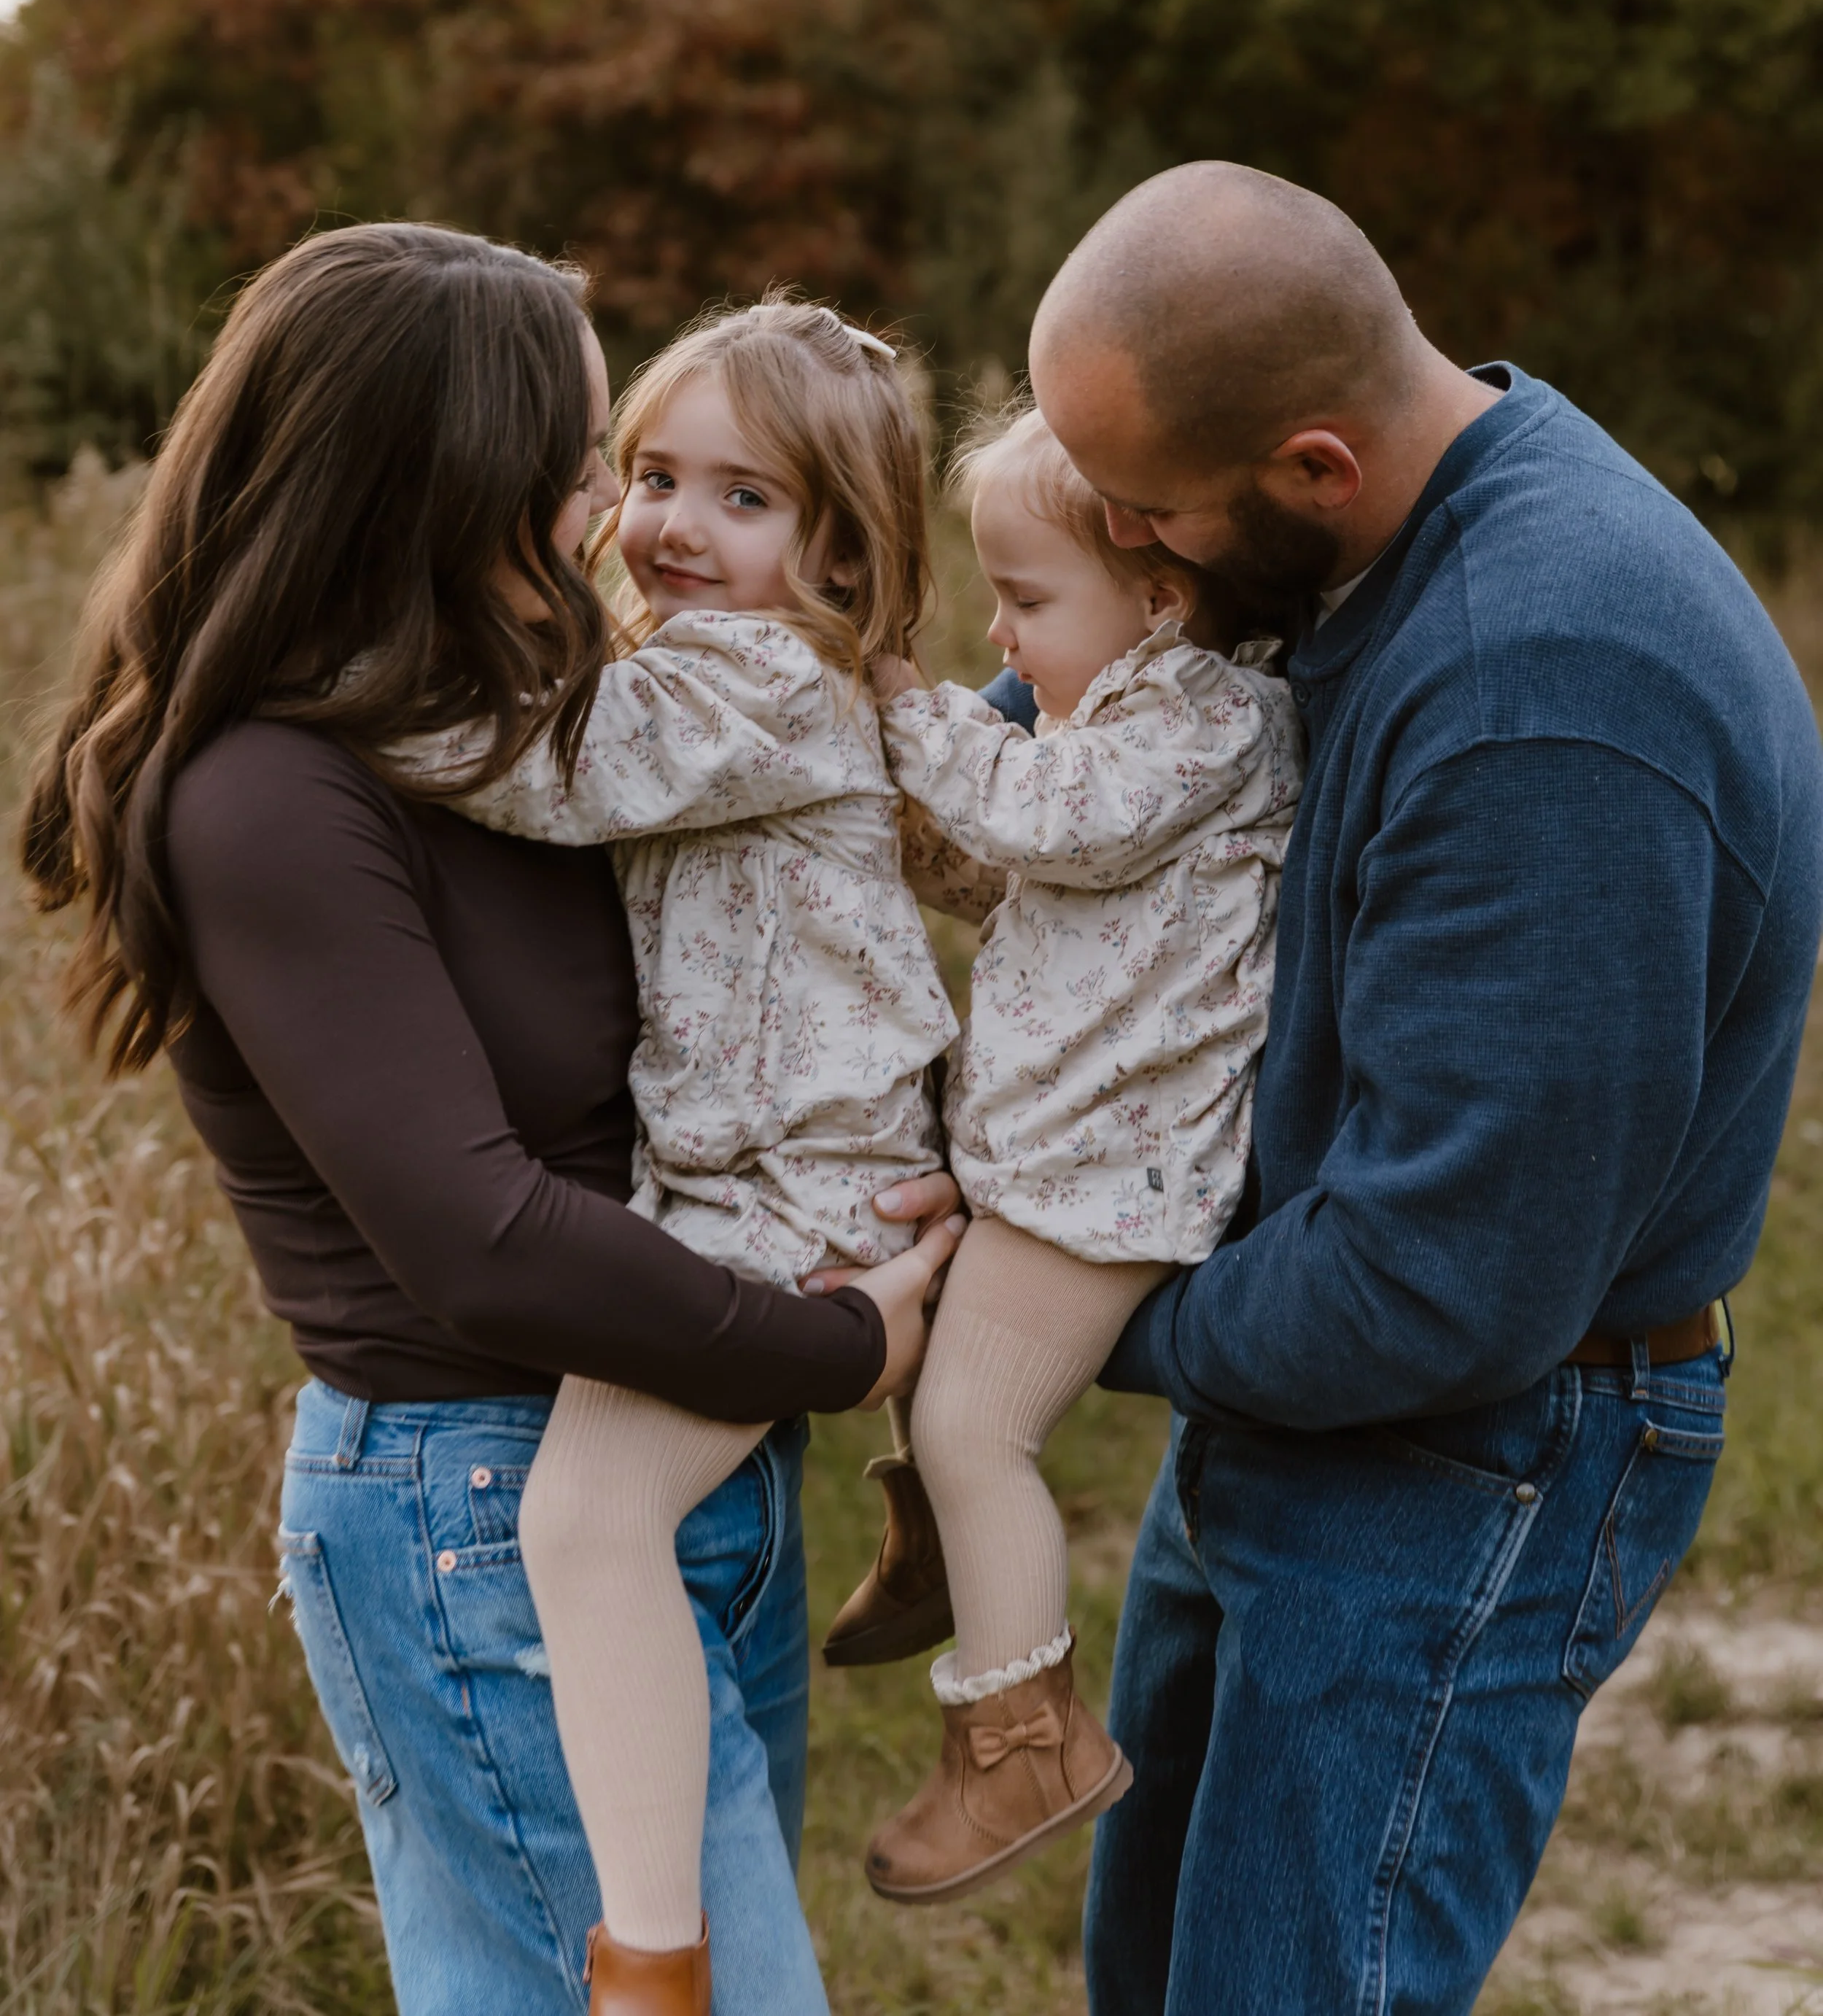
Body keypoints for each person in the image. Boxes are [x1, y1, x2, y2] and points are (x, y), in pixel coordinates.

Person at [22, 225, 960, 2016]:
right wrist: (830, 1345)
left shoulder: (547, 717)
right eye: (586, 457)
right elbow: (477, 1237)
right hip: (488, 1507)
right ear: (450, 476)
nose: (609, 504)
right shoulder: (274, 793)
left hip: (686, 1451)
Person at [1021, 161, 1823, 2015]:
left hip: (1477, 1446)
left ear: (1310, 467)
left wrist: (1045, 1325)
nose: (1137, 557)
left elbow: (1441, 1283)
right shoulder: (1400, 524)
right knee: (1159, 1973)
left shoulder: (1543, 687)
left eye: (1152, 516)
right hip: (1324, 1390)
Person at [399, 298, 967, 2009]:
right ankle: (943, 1487)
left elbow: (548, 770)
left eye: (746, 498)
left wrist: (314, 694)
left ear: (840, 550)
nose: (671, 524)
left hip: (786, 1187)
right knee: (613, 1522)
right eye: (651, 475)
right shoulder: (736, 667)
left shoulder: (758, 680)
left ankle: (649, 1958)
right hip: (758, 1166)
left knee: (581, 1524)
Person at [836, 403, 1302, 1904]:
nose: (996, 632)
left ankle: (1021, 1740)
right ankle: (949, 1563)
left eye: (1025, 601)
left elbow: (1052, 820)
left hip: (1112, 1177)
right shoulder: (1117, 722)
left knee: (983, 1432)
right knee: (911, 1335)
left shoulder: (1209, 720)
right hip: (1056, 1149)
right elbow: (1012, 871)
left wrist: (909, 704)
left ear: (1158, 599)